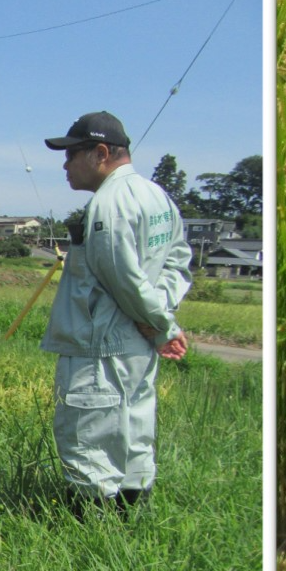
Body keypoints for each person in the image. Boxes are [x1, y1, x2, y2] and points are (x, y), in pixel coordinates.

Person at [41, 109, 191, 510]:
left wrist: (156, 323)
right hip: (135, 348)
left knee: (89, 443)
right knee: (132, 438)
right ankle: (129, 527)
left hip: (100, 349)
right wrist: (160, 317)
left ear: (101, 153)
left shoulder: (110, 204)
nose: (65, 164)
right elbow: (178, 261)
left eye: (73, 154)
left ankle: (90, 537)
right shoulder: (157, 196)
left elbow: (120, 275)